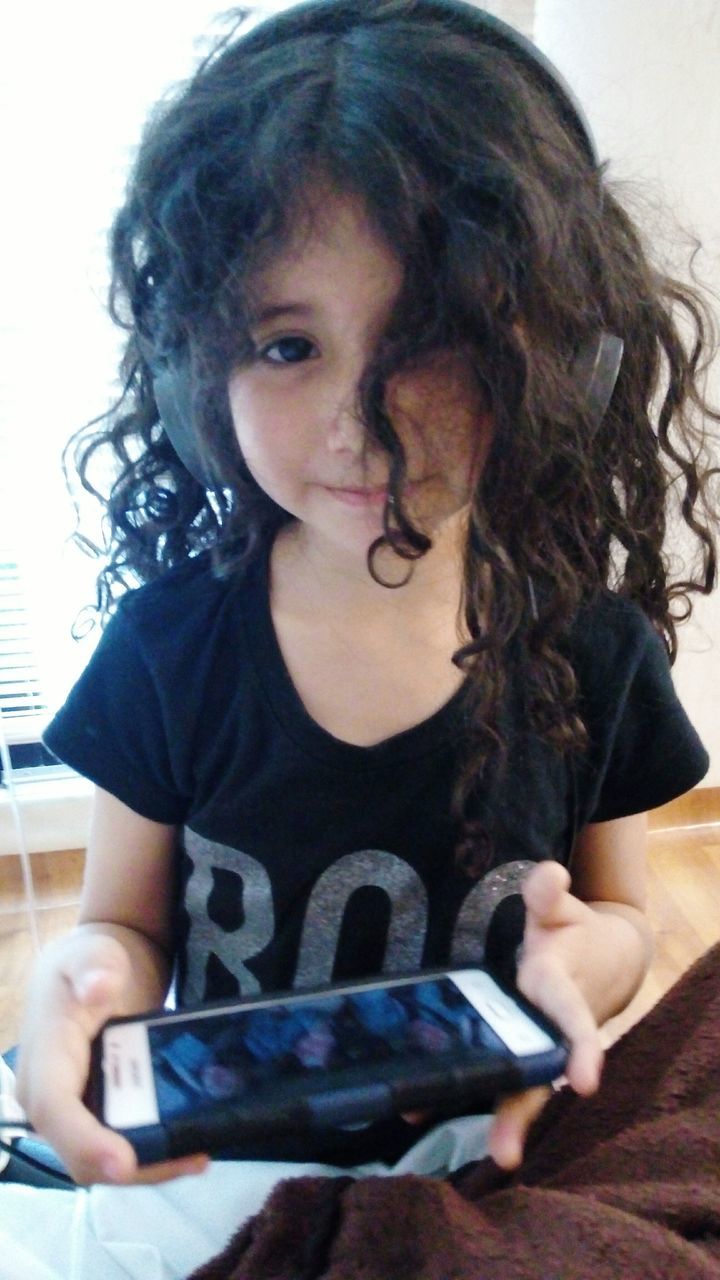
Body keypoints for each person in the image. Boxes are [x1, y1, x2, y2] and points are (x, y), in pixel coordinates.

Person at [6, 0, 718, 1210]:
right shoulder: (170, 651)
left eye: (431, 338)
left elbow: (621, 916)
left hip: (500, 1160)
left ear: (558, 354)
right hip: (224, 1169)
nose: (363, 421)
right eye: (288, 345)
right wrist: (75, 984)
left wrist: (589, 958)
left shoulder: (594, 648)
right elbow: (122, 931)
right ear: (197, 366)